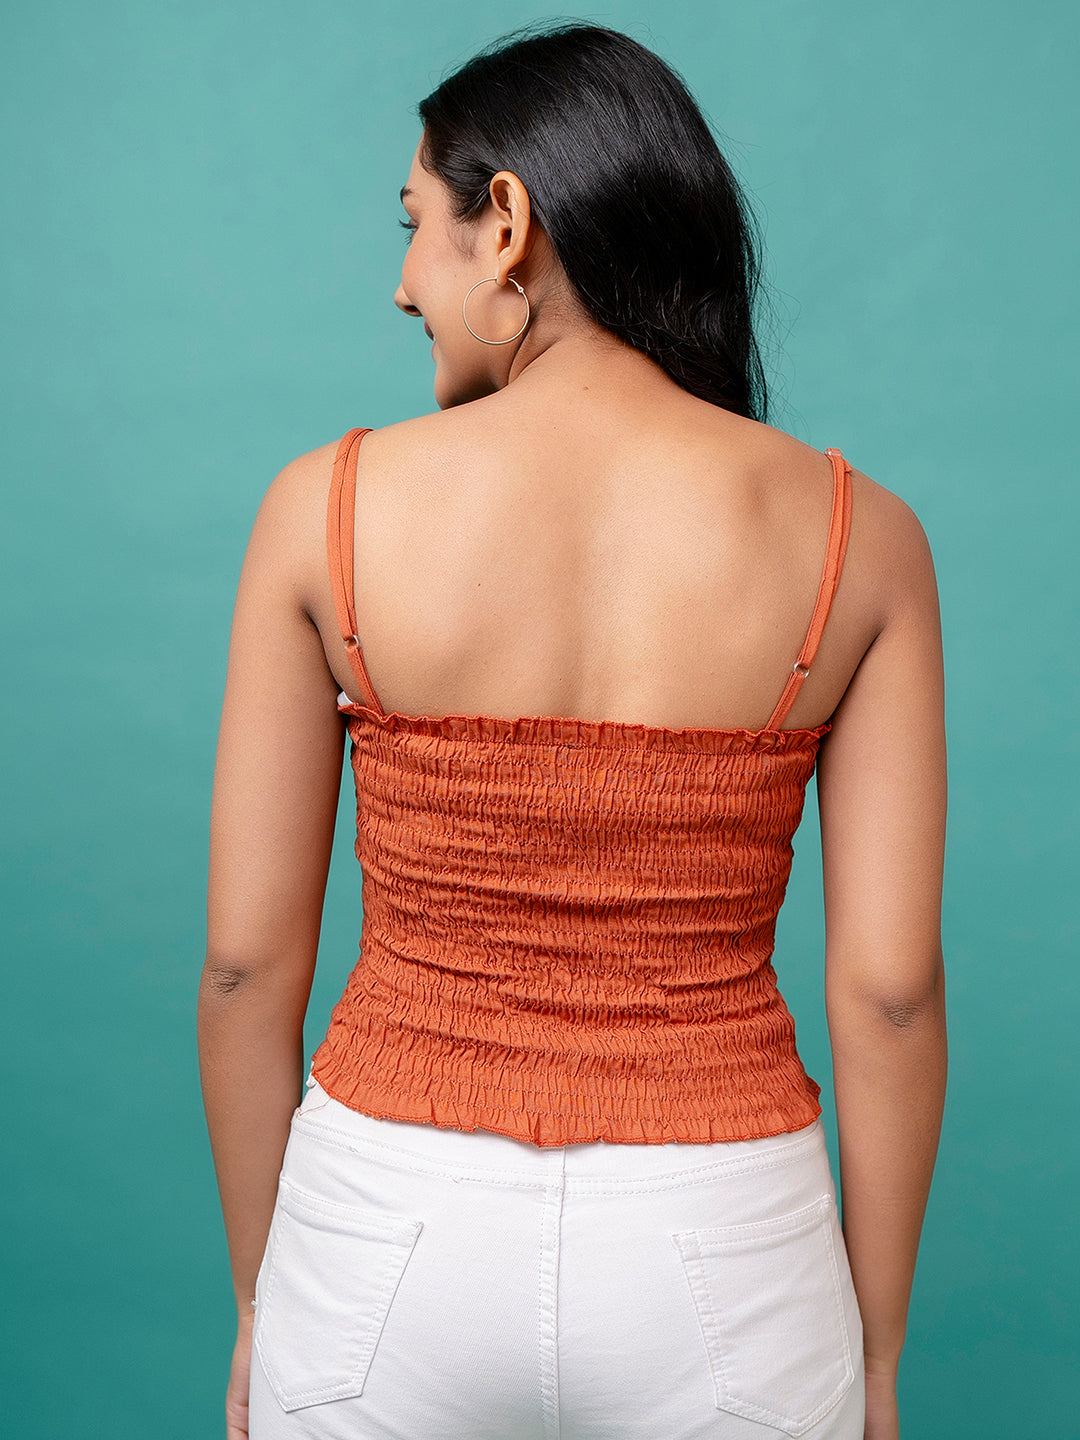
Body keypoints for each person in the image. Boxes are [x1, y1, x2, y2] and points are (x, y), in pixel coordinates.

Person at [198, 20, 947, 1440]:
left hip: (385, 1229)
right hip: (725, 1242)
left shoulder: (325, 509)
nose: (402, 285)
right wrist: (879, 1352)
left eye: (414, 226)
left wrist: (265, 1301)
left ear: (507, 225)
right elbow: (892, 993)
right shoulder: (864, 537)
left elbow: (244, 969)